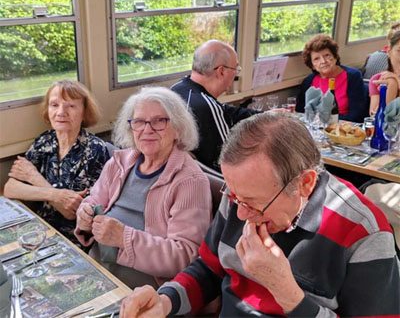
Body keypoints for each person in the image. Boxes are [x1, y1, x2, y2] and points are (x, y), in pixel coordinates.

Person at [120, 113, 400, 317]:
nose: (241, 212)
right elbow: (208, 269)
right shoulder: (240, 195)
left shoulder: (365, 234)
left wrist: (287, 292)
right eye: (234, 197)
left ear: (305, 183)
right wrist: (165, 301)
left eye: (254, 203)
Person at [75, 87, 212, 289]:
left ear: (178, 129)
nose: (147, 129)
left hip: (143, 288)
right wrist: (85, 214)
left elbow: (185, 255)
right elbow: (94, 200)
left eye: (159, 121)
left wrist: (124, 238)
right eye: (139, 121)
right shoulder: (119, 163)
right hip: (95, 268)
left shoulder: (189, 181)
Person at [4, 80, 110, 243]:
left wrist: (34, 177)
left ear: (84, 112)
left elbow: (71, 212)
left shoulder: (94, 150)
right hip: (38, 230)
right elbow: (10, 188)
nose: (61, 112)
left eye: (71, 106)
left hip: (72, 240)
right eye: (54, 105)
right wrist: (56, 194)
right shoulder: (45, 141)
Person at [171, 39, 259, 171]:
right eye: (236, 68)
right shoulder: (206, 107)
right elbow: (227, 160)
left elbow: (226, 111)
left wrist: (268, 116)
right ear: (221, 71)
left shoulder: (178, 88)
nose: (236, 73)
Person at [296, 34, 367, 122]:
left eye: (327, 55)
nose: (323, 61)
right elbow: (300, 112)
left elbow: (357, 115)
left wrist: (327, 121)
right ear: (312, 65)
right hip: (316, 128)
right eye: (316, 59)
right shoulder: (308, 82)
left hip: (343, 128)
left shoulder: (353, 76)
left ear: (335, 57)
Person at [369, 30, 400, 114]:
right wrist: (392, 85)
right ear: (389, 52)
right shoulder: (377, 79)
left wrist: (397, 81)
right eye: (399, 51)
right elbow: (374, 115)